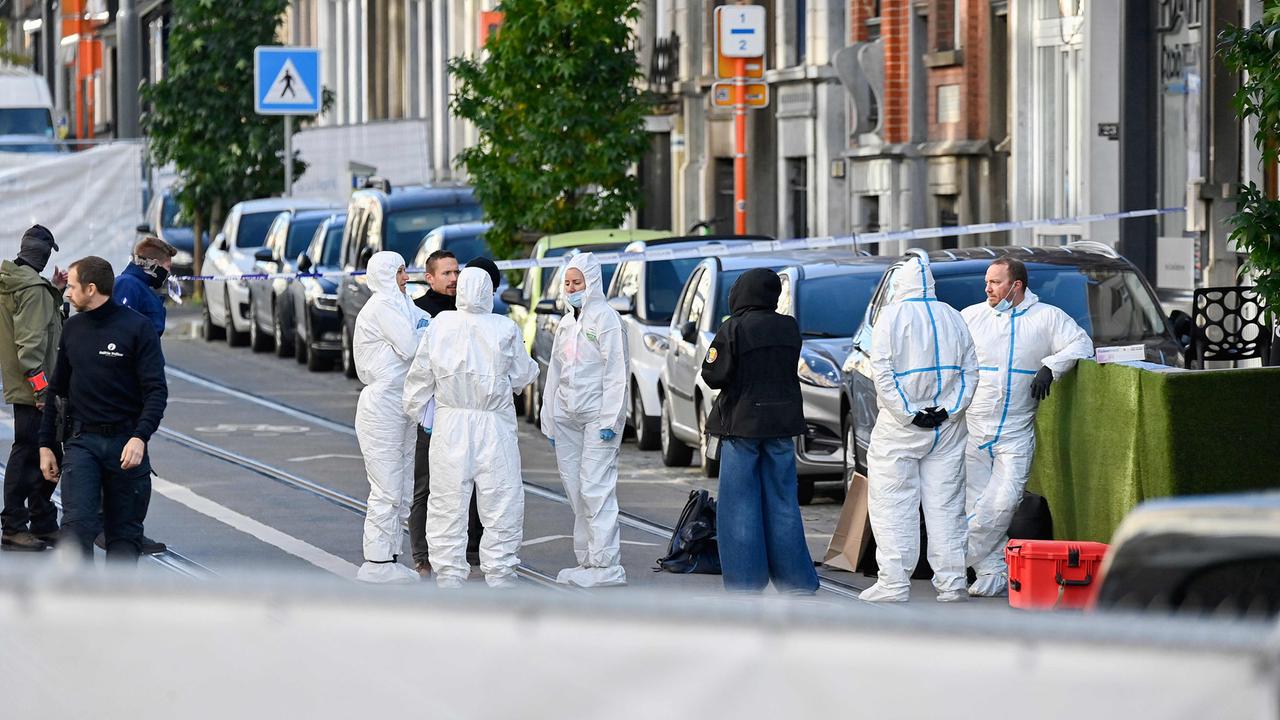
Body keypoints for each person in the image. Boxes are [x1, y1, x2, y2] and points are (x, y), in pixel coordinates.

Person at [961, 257, 1092, 596]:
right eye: (987, 281)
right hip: (973, 429)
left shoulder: (1046, 318)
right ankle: (991, 573)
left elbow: (1081, 344)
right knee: (973, 503)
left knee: (1003, 502)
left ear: (1016, 285)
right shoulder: (972, 317)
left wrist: (1051, 366)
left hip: (1016, 432)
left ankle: (951, 558)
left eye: (995, 282)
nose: (987, 288)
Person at [403, 267, 538, 589]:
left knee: (447, 500)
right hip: (493, 423)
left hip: (451, 423)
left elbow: (420, 377)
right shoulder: (504, 328)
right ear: (489, 291)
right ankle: (501, 573)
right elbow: (523, 375)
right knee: (501, 499)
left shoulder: (441, 326)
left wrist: (419, 412)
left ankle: (449, 574)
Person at [861, 251, 978, 603]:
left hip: (901, 429)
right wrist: (949, 410)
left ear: (900, 285)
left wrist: (909, 413)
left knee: (893, 501)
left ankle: (895, 583)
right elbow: (972, 370)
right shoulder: (953, 316)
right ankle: (953, 582)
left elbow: (881, 371)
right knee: (947, 504)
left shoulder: (891, 317)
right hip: (946, 428)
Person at [37, 257, 167, 562]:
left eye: (71, 286)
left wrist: (140, 437)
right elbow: (56, 389)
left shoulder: (138, 328)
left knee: (124, 536)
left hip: (126, 444)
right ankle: (82, 604)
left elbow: (156, 391)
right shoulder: (73, 328)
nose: (67, 293)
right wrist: (46, 445)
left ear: (91, 288)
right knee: (76, 528)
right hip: (82, 444)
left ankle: (117, 607)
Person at [701, 268, 819, 594]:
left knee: (739, 506)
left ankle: (745, 583)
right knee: (783, 504)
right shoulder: (788, 327)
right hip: (782, 426)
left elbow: (714, 374)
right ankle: (796, 582)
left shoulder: (734, 328)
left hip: (742, 425)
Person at [540, 253, 628, 587]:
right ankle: (588, 561)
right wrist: (550, 417)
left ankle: (607, 564)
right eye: (568, 282)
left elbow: (617, 371)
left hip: (597, 417)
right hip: (567, 417)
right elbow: (555, 374)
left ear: (592, 283)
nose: (572, 288)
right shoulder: (565, 323)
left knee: (596, 488)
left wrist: (610, 418)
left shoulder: (605, 320)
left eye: (578, 282)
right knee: (576, 489)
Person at [407, 250, 483, 577]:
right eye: (447, 274)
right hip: (433, 414)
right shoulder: (419, 311)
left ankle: (472, 548)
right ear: (430, 277)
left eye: (457, 272)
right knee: (426, 484)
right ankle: (422, 556)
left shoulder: (470, 310)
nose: (454, 279)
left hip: (469, 413)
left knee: (476, 481)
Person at [352, 251, 426, 584]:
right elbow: (413, 346)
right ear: (384, 274)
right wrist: (425, 332)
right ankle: (378, 559)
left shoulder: (401, 305)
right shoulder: (382, 306)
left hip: (403, 404)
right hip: (382, 406)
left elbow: (428, 324)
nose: (406, 278)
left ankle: (389, 555)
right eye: (399, 272)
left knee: (402, 486)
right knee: (387, 486)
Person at [0, 225, 65, 551]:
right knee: (33, 454)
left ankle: (41, 521)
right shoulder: (33, 290)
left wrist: (52, 291)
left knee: (42, 451)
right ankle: (16, 525)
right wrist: (42, 392)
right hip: (35, 388)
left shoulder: (13, 280)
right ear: (44, 253)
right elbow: (31, 346)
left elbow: (32, 322)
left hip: (21, 384)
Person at [114, 236, 177, 337]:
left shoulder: (140, 287)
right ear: (155, 265)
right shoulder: (127, 285)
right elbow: (121, 332)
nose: (169, 273)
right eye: (168, 267)